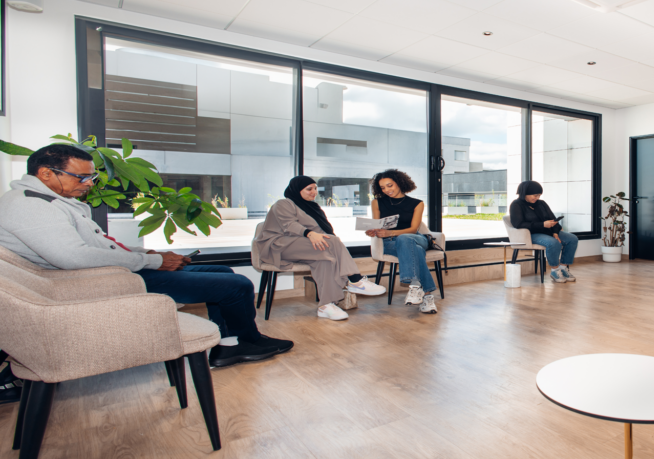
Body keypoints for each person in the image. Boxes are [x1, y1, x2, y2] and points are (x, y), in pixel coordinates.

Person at [0, 144, 292, 368]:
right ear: (46, 173)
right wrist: (152, 262)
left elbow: (97, 247)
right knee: (237, 285)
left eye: (91, 176)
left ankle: (229, 345)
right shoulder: (31, 206)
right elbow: (73, 258)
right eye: (82, 176)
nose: (89, 183)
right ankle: (248, 341)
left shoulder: (51, 201)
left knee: (225, 275)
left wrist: (145, 252)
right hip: (101, 282)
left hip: (110, 272)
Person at [256, 176, 386, 321]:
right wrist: (310, 234)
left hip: (303, 247)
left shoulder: (313, 208)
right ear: (297, 189)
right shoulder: (284, 203)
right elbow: (289, 225)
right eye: (309, 189)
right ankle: (355, 280)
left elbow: (325, 232)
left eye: (315, 188)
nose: (314, 192)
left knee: (325, 258)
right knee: (331, 243)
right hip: (278, 245)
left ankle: (326, 306)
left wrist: (332, 245)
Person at [365, 169, 438, 314]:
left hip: (416, 238)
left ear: (399, 183)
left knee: (405, 239)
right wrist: (373, 231)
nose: (386, 190)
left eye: (389, 185)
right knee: (415, 251)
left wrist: (390, 232)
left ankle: (415, 287)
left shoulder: (417, 203)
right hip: (390, 243)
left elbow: (412, 229)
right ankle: (424, 294)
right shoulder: (377, 203)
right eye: (383, 187)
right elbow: (376, 224)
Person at [509, 180, 579, 283]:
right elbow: (518, 224)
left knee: (572, 239)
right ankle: (555, 270)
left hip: (548, 232)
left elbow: (553, 220)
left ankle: (563, 268)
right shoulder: (516, 205)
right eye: (535, 195)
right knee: (553, 243)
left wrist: (555, 233)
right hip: (530, 234)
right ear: (525, 193)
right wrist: (542, 224)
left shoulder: (541, 203)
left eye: (539, 196)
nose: (537, 198)